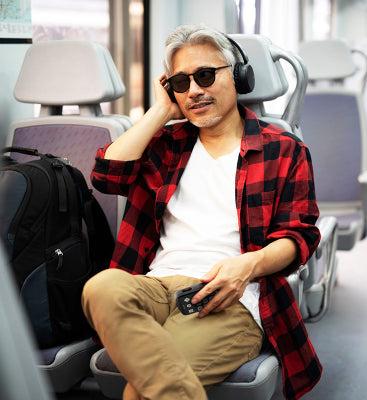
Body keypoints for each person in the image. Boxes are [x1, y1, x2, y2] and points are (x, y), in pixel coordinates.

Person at [82, 24, 322, 400]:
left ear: (239, 77)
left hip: (227, 300)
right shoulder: (166, 146)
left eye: (206, 75)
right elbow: (106, 176)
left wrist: (249, 266)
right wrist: (161, 110)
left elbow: (301, 237)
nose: (194, 90)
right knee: (100, 287)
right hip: (156, 287)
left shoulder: (283, 149)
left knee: (142, 390)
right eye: (181, 82)